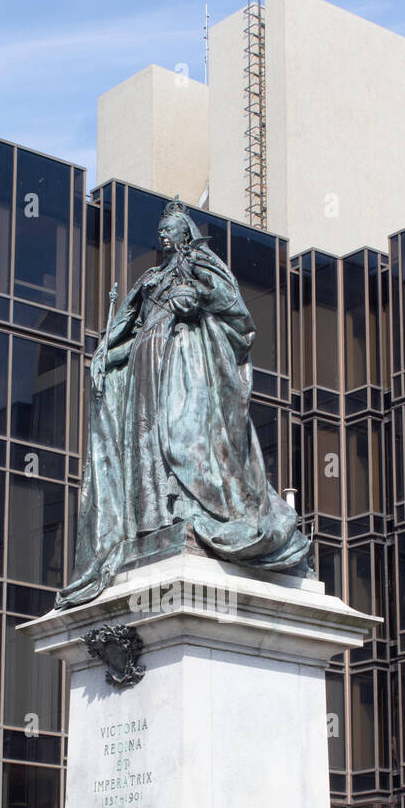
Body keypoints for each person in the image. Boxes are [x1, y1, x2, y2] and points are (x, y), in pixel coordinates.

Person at [55, 197, 311, 608]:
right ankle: (155, 517)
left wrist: (195, 299)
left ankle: (191, 506)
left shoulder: (199, 263)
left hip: (183, 358)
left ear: (185, 233)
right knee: (145, 441)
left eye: (171, 227)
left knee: (180, 435)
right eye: (162, 229)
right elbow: (129, 328)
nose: (163, 233)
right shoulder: (152, 276)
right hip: (144, 361)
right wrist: (105, 353)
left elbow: (234, 311)